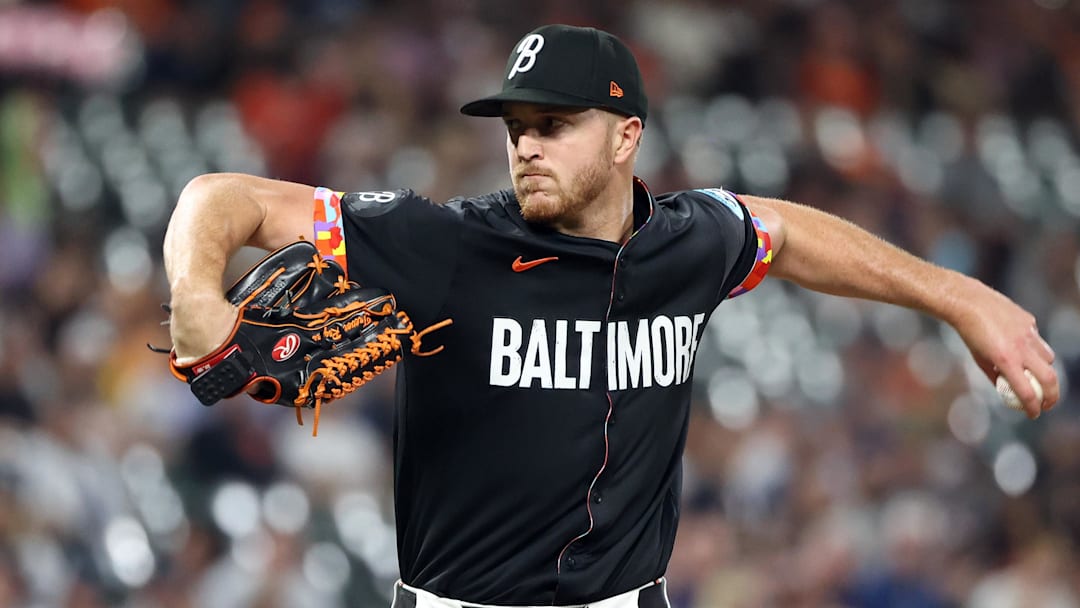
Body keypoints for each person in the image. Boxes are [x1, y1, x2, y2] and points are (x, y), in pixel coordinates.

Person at [162, 24, 1059, 608]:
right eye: (517, 126)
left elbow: (785, 233)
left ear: (627, 136)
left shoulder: (690, 243)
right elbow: (221, 197)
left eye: (555, 124)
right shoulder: (444, 247)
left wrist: (961, 297)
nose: (526, 145)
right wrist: (199, 297)